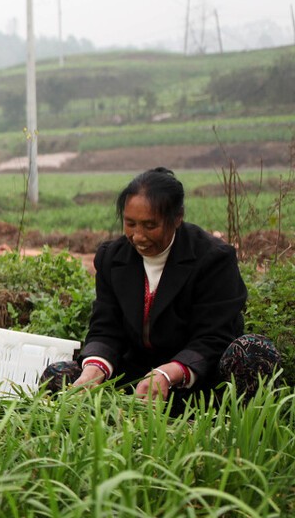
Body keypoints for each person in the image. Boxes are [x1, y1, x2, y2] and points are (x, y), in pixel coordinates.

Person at [42, 167, 278, 405]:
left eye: (149, 225)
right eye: (130, 224)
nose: (138, 236)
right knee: (59, 376)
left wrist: (168, 373)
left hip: (198, 378)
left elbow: (215, 336)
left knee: (254, 351)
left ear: (177, 218)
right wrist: (94, 369)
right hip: (139, 380)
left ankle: (227, 425)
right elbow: (106, 328)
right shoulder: (112, 258)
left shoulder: (212, 259)